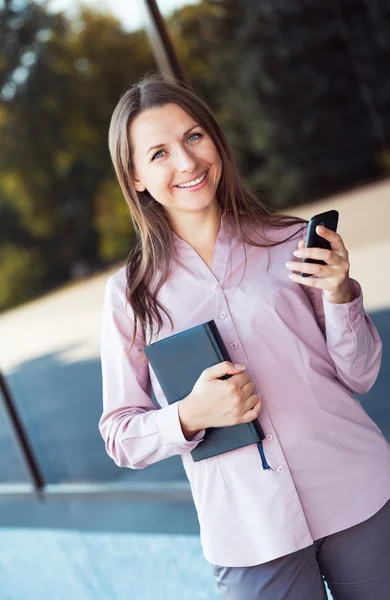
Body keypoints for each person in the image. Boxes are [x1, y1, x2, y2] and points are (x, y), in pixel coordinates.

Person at [98, 72, 390, 599]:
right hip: (251, 535)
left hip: (358, 493)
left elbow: (362, 373)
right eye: (159, 153)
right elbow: (120, 435)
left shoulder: (291, 242)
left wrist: (341, 293)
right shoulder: (130, 295)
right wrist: (189, 415)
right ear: (136, 177)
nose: (186, 163)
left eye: (193, 137)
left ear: (216, 141)